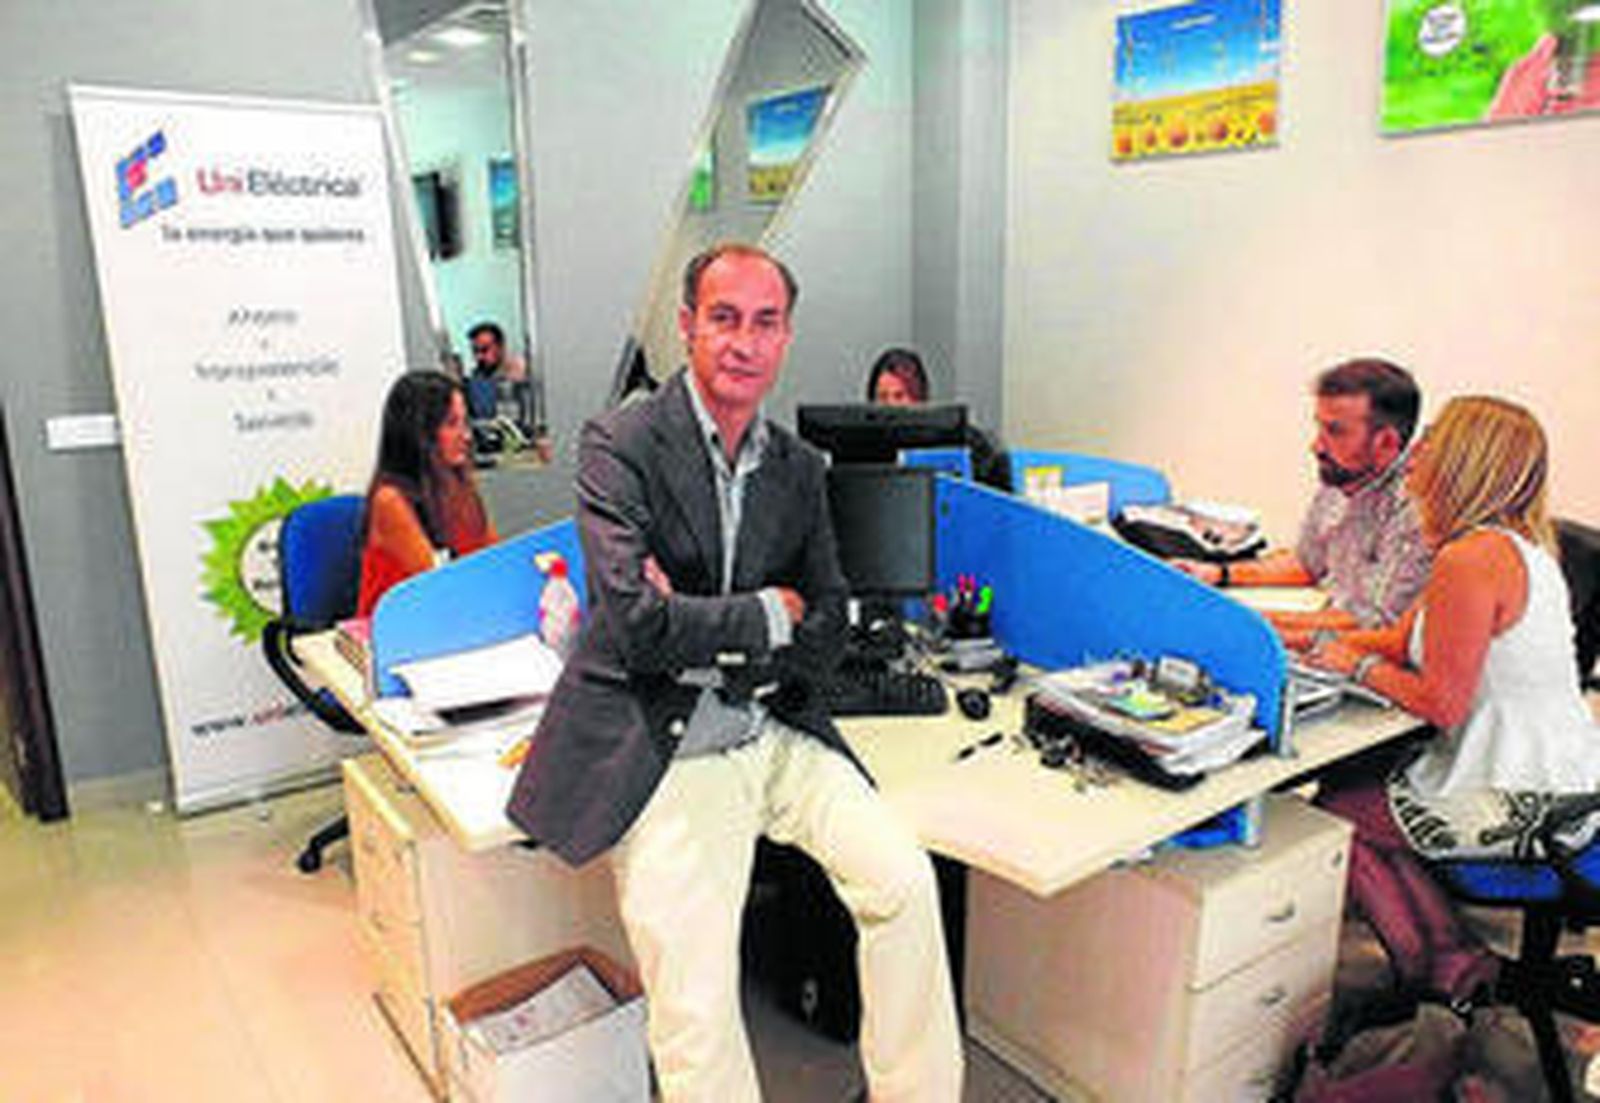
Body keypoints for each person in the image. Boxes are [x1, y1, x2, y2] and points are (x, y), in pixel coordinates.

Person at [506, 245, 962, 1102]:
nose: (743, 342)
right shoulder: (620, 443)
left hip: (770, 725)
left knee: (905, 883)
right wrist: (767, 610)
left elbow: (828, 624)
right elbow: (638, 627)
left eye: (765, 322)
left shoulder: (799, 467)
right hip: (670, 744)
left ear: (786, 337)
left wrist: (707, 620)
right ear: (687, 326)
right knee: (697, 1006)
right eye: (723, 318)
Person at [1304, 396, 1600, 1003]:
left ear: (1464, 461)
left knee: (1335, 814)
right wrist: (1307, 641)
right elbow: (1401, 638)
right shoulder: (1515, 546)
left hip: (1526, 797)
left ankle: (1432, 972)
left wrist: (1354, 665)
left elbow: (1441, 704)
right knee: (1357, 787)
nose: (1415, 454)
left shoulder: (1470, 561)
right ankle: (1456, 959)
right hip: (1564, 774)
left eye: (1432, 441)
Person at [1177, 358, 1432, 634]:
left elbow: (1375, 622)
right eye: (1319, 427)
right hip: (1324, 620)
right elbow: (1307, 562)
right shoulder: (1343, 474)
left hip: (1360, 646)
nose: (1316, 446)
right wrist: (1219, 573)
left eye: (1335, 431)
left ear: (1386, 442)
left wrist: (1244, 617)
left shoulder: (1416, 504)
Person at [355, 371, 496, 617]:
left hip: (446, 619)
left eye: (465, 422)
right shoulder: (390, 501)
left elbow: (494, 560)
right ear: (419, 433)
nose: (466, 436)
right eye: (451, 424)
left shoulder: (458, 485)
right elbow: (439, 587)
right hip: (398, 629)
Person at [866, 346, 1010, 491]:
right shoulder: (866, 448)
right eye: (882, 397)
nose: (890, 405)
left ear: (920, 399)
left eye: (899, 396)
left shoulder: (968, 443)